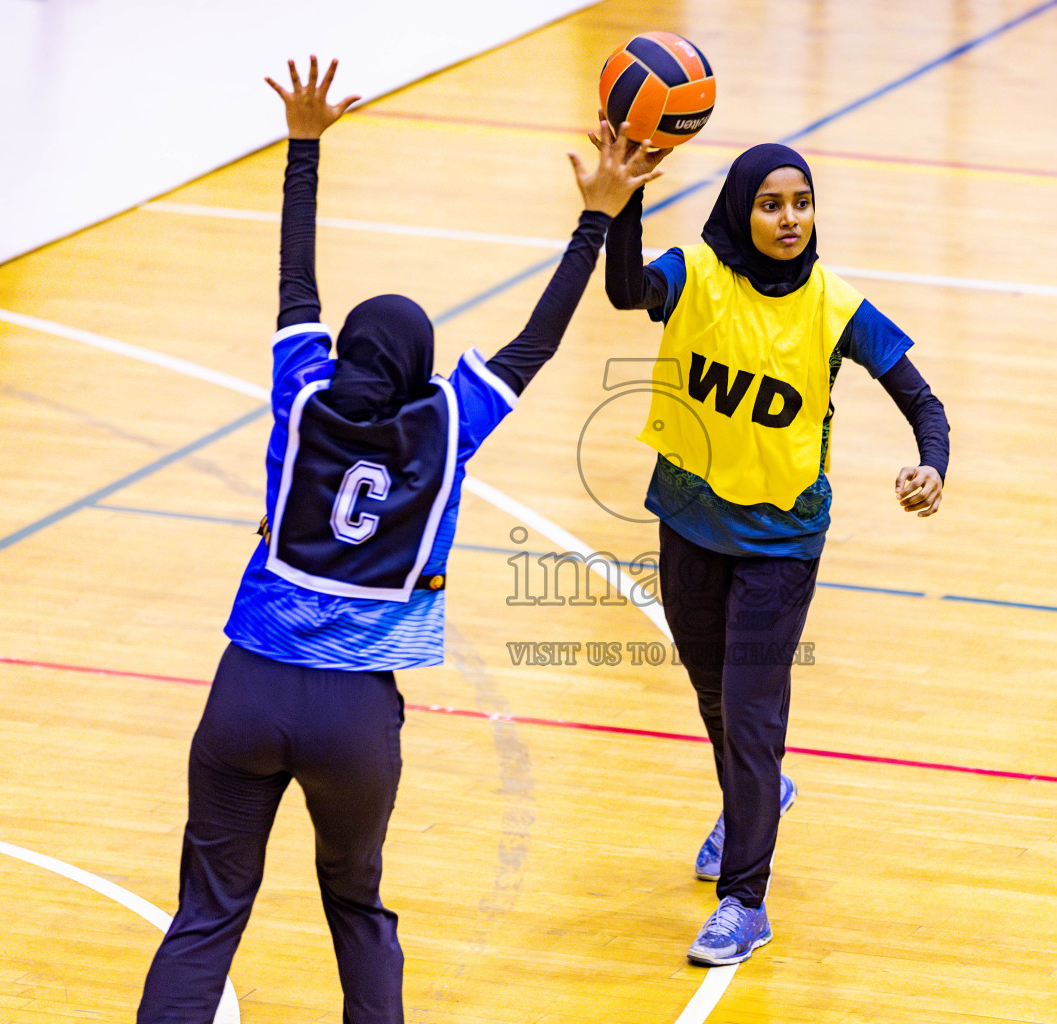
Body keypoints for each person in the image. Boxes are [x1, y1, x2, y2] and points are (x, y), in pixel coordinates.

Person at [136, 58, 662, 1024]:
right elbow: (537, 341)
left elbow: (297, 279)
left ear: (344, 354)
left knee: (207, 914)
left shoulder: (302, 394)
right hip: (354, 720)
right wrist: (596, 216)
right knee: (357, 908)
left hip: (245, 686)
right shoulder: (450, 423)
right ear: (420, 368)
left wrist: (304, 143)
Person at [602, 128, 950, 966]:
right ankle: (755, 797)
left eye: (801, 203)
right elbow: (621, 292)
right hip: (688, 520)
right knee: (713, 695)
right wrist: (627, 199)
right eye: (771, 204)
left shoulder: (837, 307)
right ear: (740, 210)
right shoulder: (694, 276)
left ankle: (744, 902)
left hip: (781, 544)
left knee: (754, 715)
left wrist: (931, 467)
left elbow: (923, 401)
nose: (789, 218)